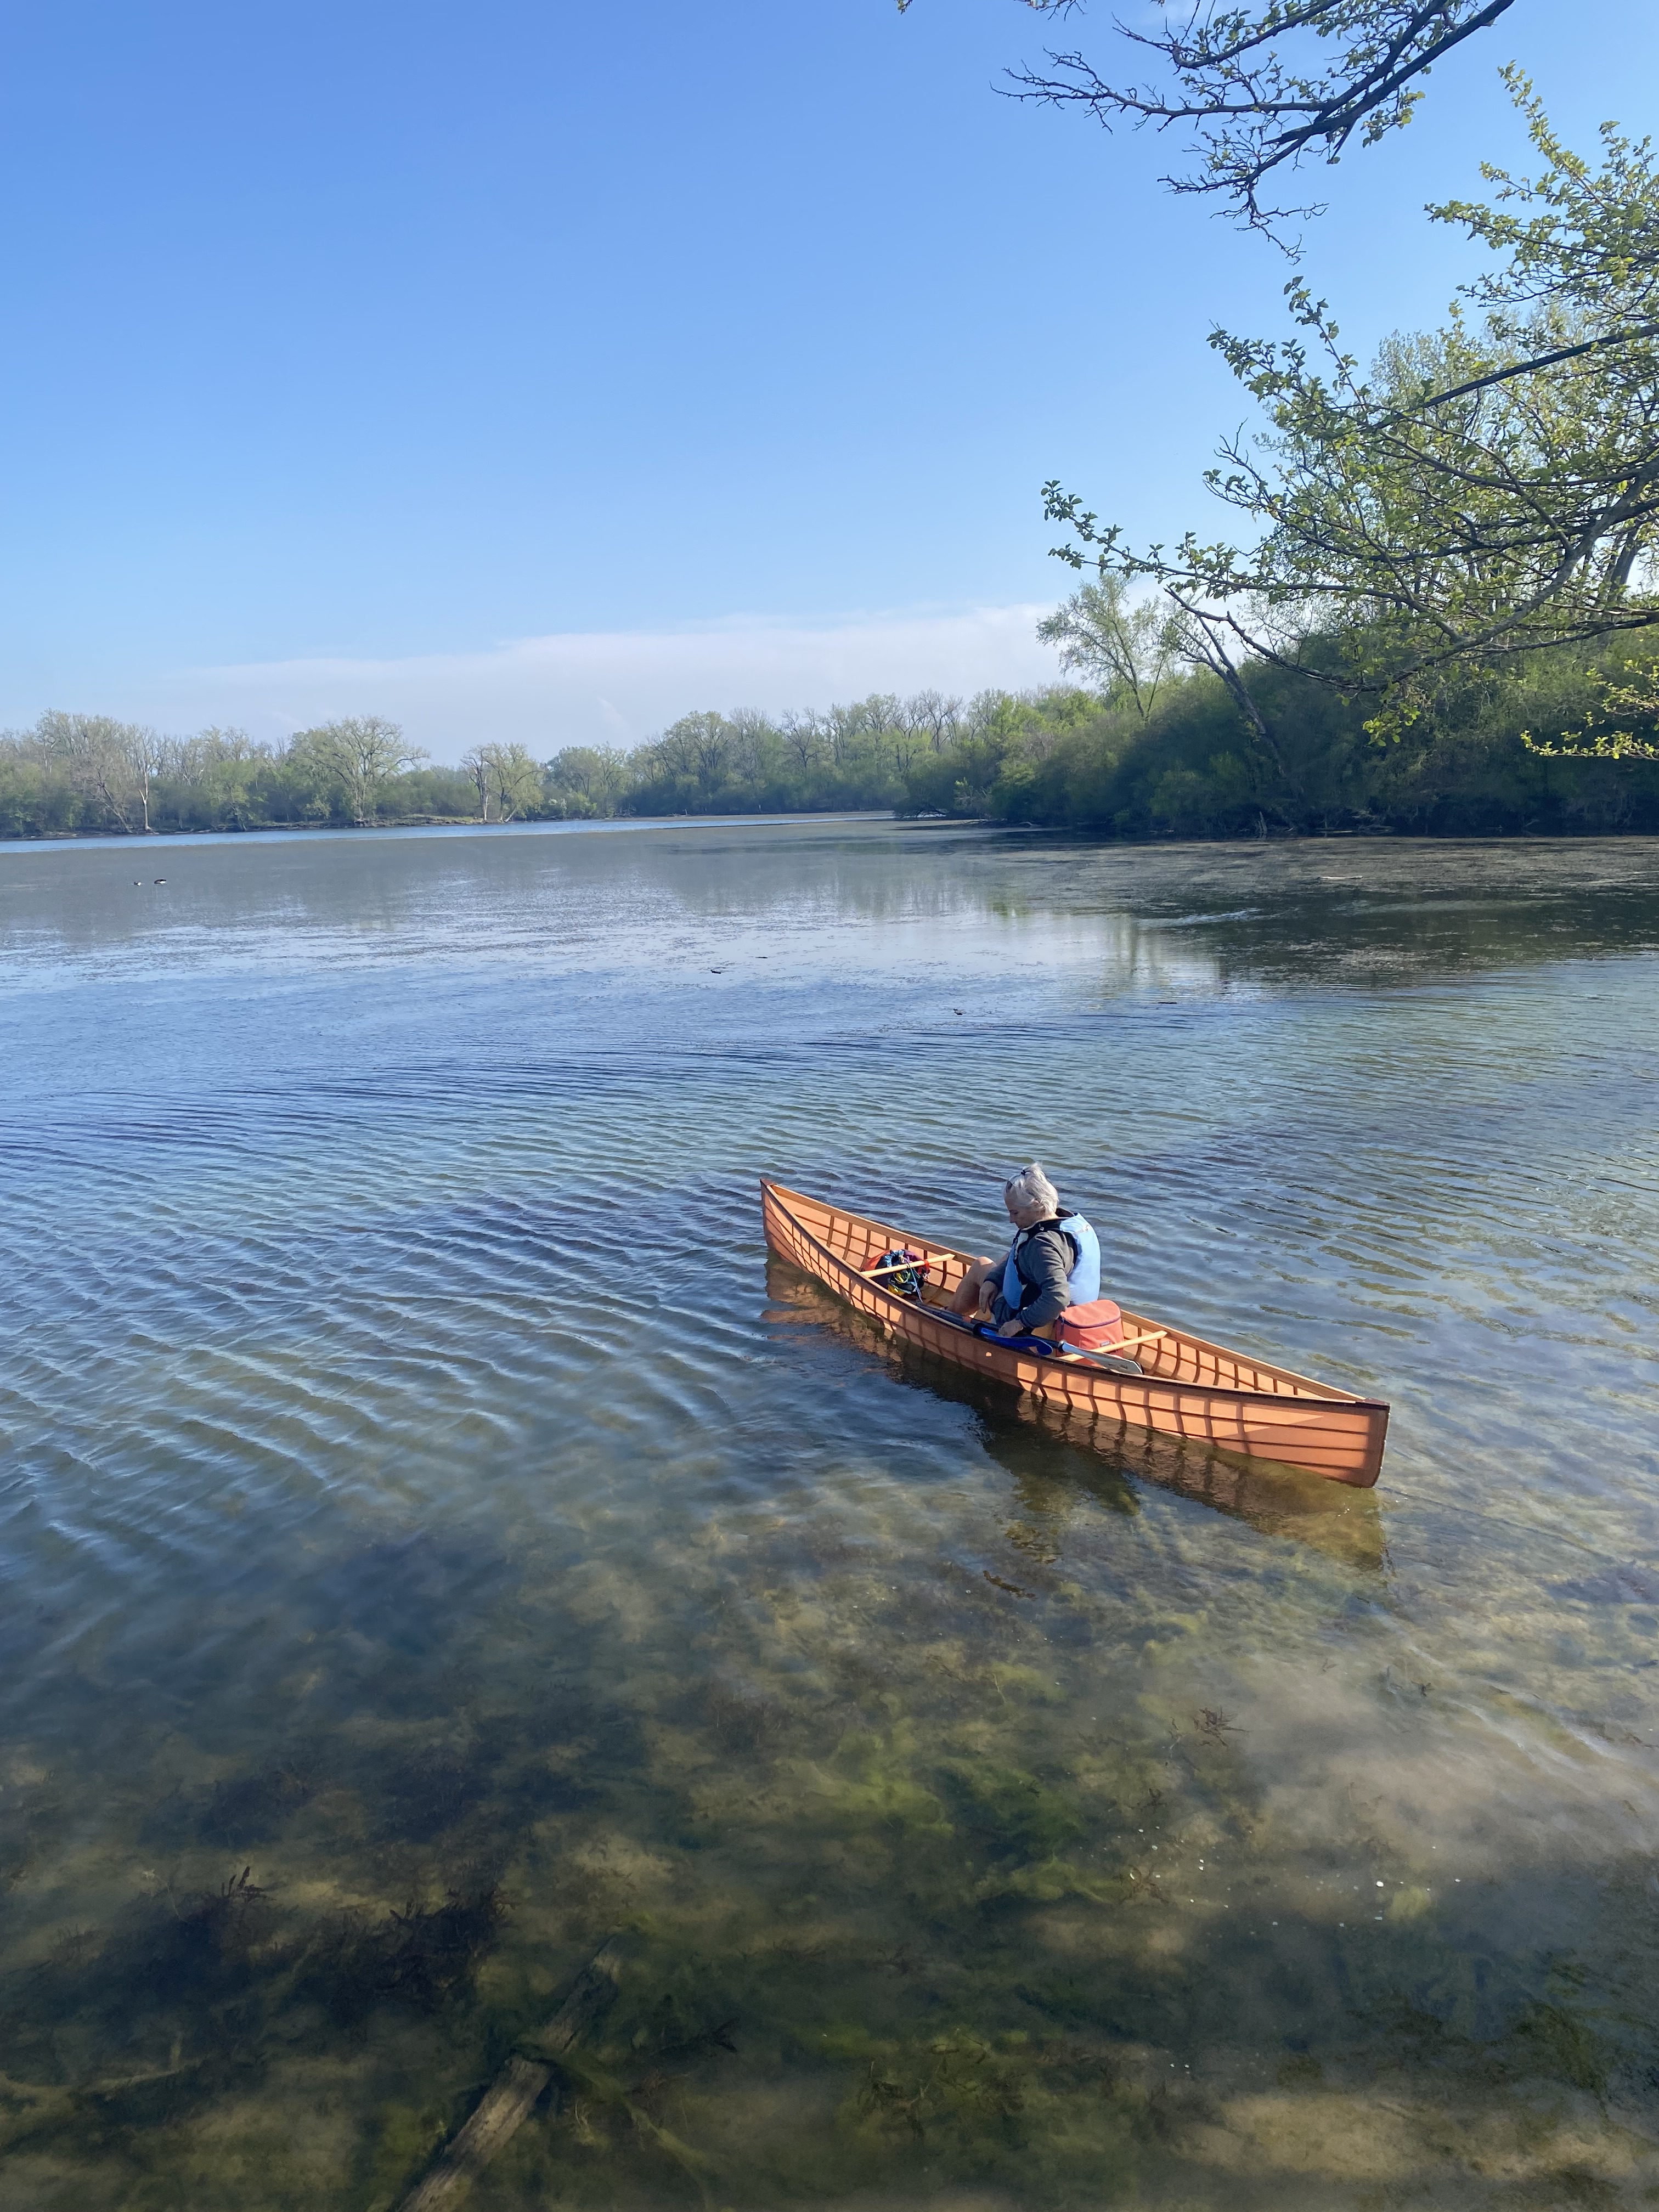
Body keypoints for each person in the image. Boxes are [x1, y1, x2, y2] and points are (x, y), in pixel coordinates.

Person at [950, 1165, 1102, 1340]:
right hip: (1076, 1320)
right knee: (992, 1271)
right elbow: (1014, 1257)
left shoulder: (1042, 1245)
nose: (1011, 1220)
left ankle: (947, 1320)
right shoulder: (1071, 1224)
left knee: (980, 1265)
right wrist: (993, 1279)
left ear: (1037, 1205)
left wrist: (1019, 1323)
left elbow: (1058, 1297)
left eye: (1015, 1213)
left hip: (1033, 1321)